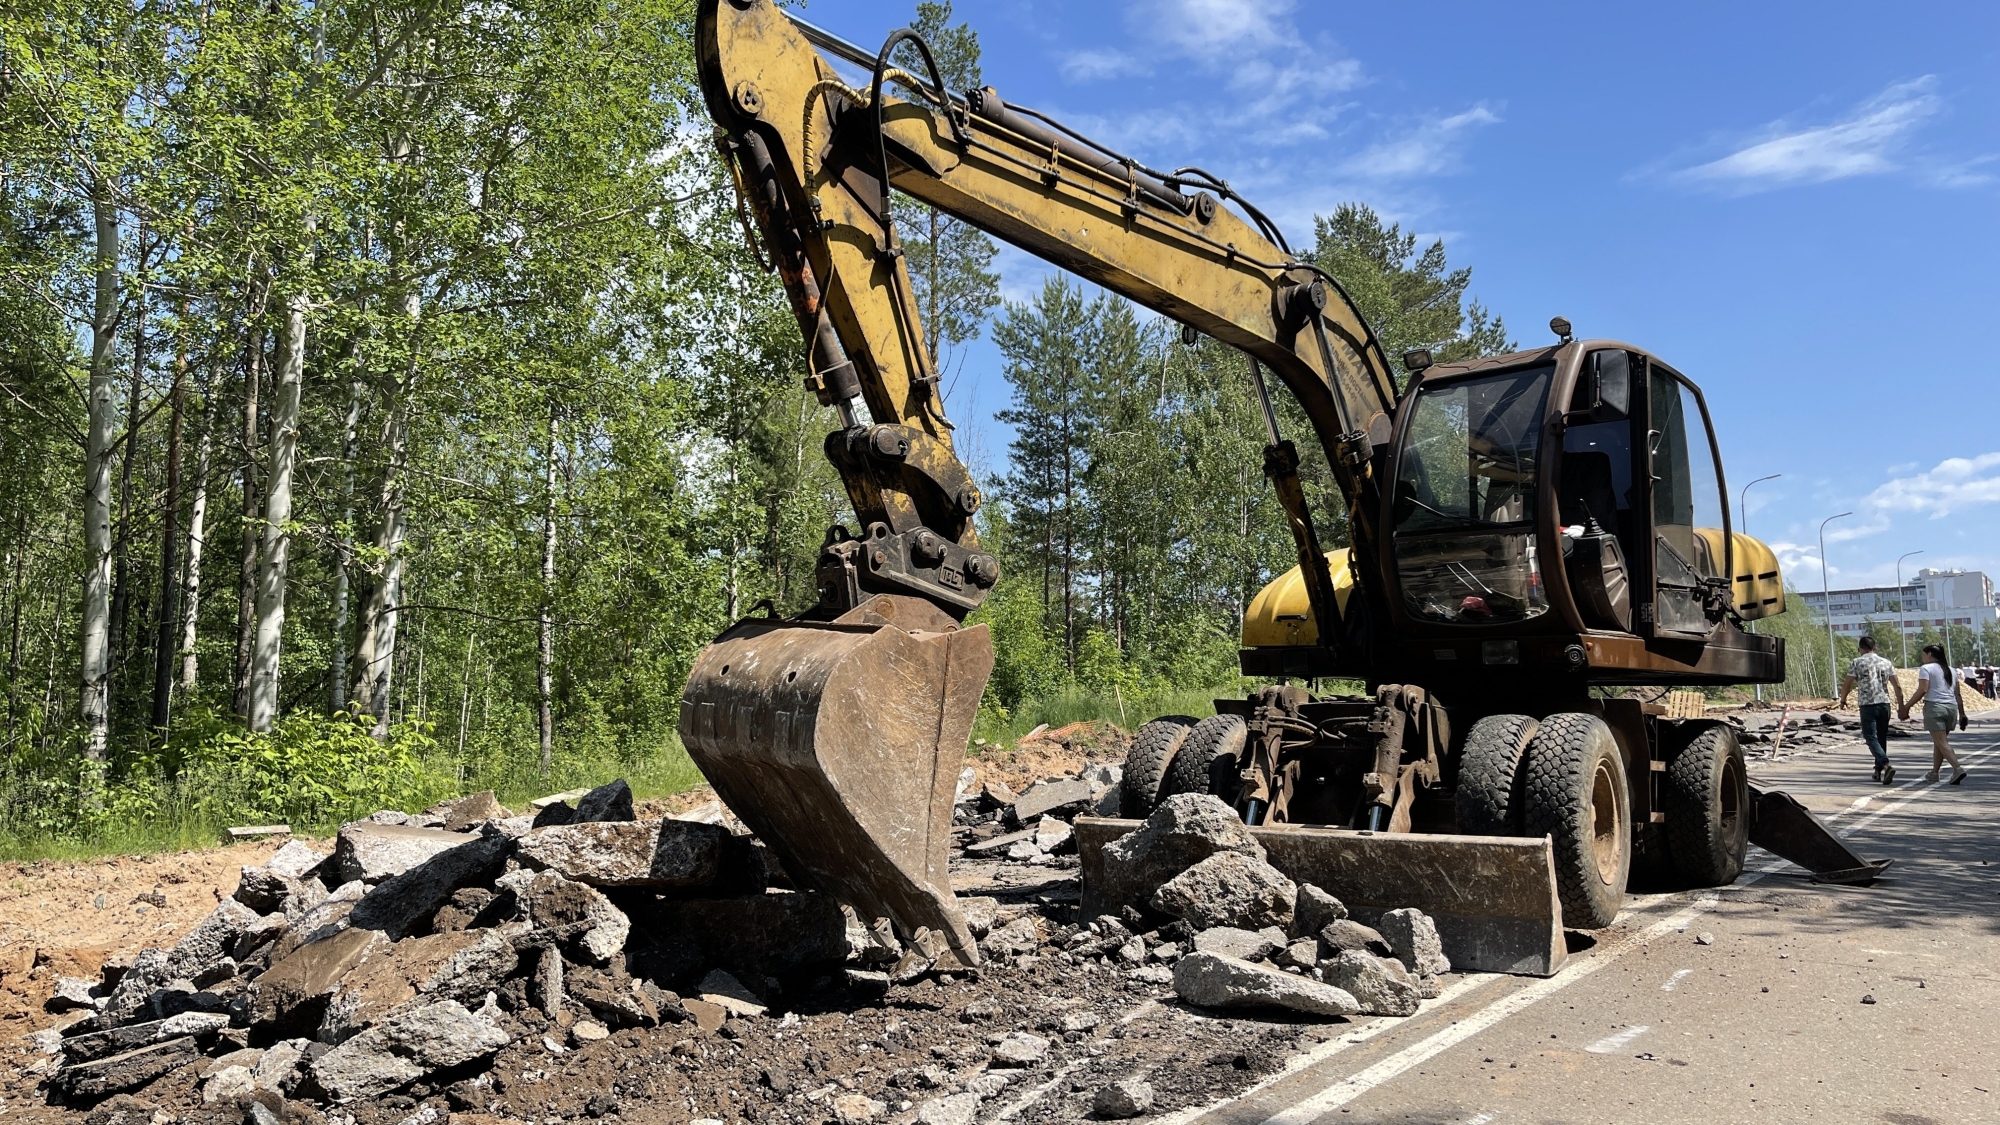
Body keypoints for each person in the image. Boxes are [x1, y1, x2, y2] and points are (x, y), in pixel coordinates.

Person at [1899, 643, 1969, 785]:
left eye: (1923, 655)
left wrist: (1906, 707)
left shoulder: (1926, 669)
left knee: (1941, 742)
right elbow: (1958, 695)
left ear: (1930, 654)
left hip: (1935, 707)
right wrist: (1962, 714)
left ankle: (1957, 768)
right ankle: (1934, 773)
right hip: (1951, 708)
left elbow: (1923, 689)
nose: (1923, 658)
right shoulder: (1952, 670)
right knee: (1939, 742)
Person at [1839, 635, 1905, 785]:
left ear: (1860, 649)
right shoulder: (1886, 662)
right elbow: (1897, 686)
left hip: (1867, 704)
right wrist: (1901, 706)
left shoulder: (1857, 662)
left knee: (1870, 737)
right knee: (1881, 737)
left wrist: (1843, 700)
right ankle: (1877, 771)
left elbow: (1847, 684)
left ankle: (1886, 764)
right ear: (1874, 648)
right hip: (1884, 703)